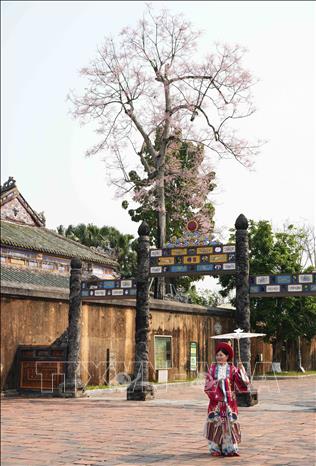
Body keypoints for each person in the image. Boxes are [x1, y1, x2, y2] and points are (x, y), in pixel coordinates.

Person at [204, 341, 250, 457]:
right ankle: (215, 448)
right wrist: (217, 383)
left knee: (229, 423)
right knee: (215, 423)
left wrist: (241, 370)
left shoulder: (233, 369)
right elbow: (208, 383)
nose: (219, 357)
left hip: (229, 402)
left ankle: (229, 448)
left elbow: (242, 383)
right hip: (216, 402)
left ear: (227, 356)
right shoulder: (212, 368)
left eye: (221, 355)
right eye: (217, 355)